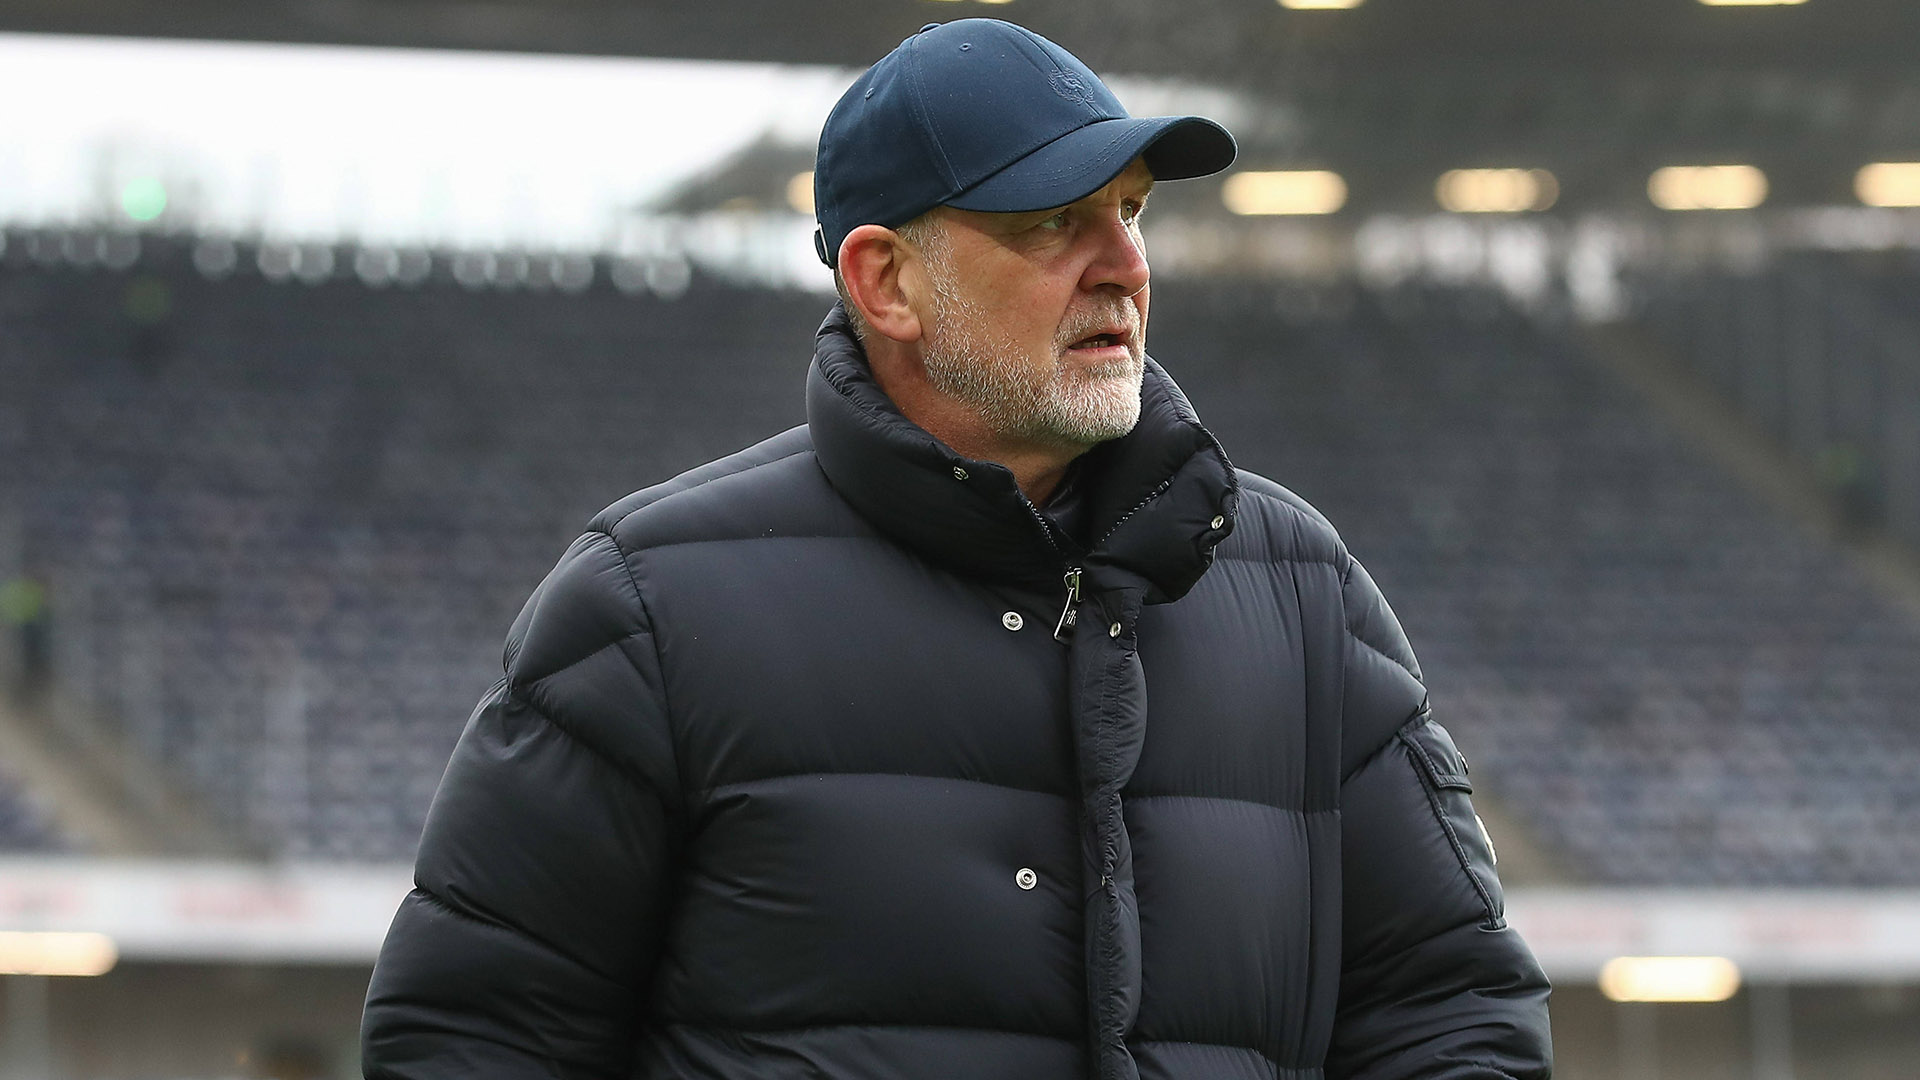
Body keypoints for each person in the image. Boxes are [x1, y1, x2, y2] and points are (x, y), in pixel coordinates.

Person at [361, 18, 1552, 1080]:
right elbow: (473, 1040)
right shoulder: (649, 610)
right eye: (1052, 223)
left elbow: (1451, 1009)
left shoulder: (1296, 587)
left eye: (1131, 212)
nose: (1125, 266)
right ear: (885, 281)